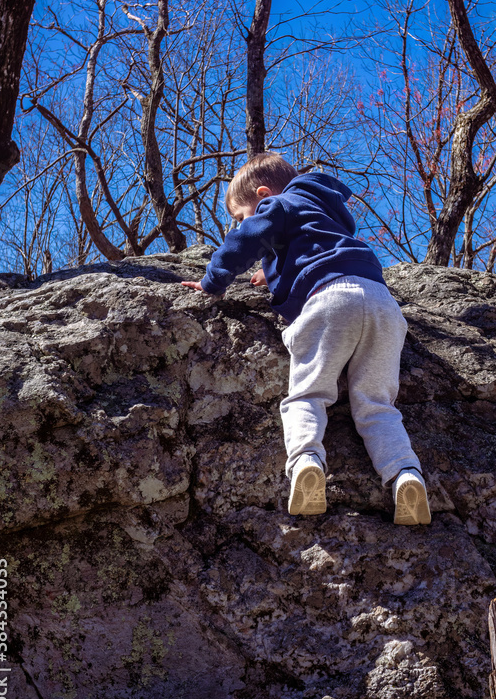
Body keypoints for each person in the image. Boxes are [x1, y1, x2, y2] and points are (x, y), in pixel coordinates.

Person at [181, 152, 431, 526]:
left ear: (264, 196)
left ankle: (306, 464)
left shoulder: (276, 205)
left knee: (308, 394)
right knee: (378, 404)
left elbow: (248, 238)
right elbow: (312, 244)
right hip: (382, 306)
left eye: (239, 215)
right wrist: (278, 264)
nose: (240, 223)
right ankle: (405, 475)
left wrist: (213, 281)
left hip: (330, 302)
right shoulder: (326, 212)